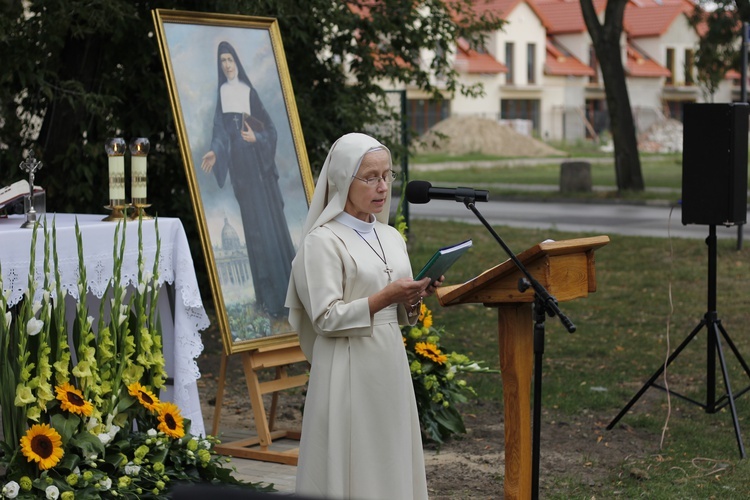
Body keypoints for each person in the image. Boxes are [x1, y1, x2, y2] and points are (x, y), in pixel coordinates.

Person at [286, 133, 443, 499]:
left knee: (389, 454)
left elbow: (403, 314)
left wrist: (414, 298)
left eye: (387, 176)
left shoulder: (390, 236)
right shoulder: (322, 241)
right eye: (370, 177)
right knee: (354, 460)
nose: (383, 186)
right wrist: (385, 296)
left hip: (389, 361)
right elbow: (325, 318)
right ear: (342, 179)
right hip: (348, 365)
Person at [201, 41, 295, 321]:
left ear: (237, 62)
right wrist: (215, 151)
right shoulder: (222, 95)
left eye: (230, 59)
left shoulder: (248, 92)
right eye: (222, 61)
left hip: (259, 169)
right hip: (242, 173)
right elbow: (220, 132)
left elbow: (271, 129)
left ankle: (287, 299)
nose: (227, 65)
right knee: (254, 234)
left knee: (269, 229)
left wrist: (258, 138)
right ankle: (268, 300)